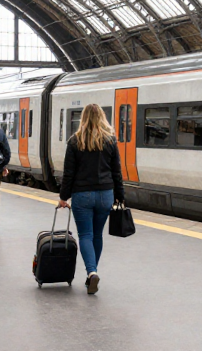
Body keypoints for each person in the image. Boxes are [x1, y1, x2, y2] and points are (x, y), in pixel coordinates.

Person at [58, 104, 123, 295]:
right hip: (105, 195)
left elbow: (68, 173)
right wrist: (120, 196)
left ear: (83, 118)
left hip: (82, 195)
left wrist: (63, 197)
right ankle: (92, 273)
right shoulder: (110, 140)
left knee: (85, 235)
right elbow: (117, 172)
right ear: (102, 117)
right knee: (97, 235)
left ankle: (92, 272)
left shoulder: (75, 141)